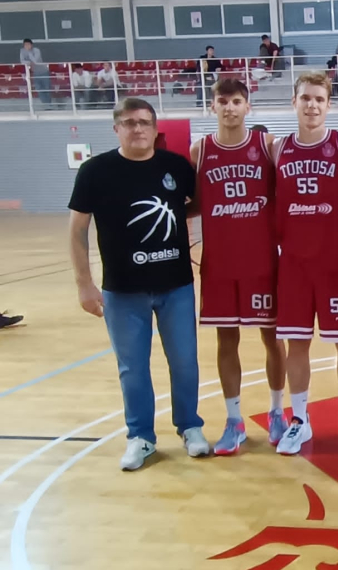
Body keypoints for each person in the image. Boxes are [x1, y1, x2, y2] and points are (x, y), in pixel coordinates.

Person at [68, 98, 209, 471]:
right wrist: (84, 284)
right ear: (117, 128)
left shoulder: (175, 167)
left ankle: (190, 427)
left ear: (154, 128)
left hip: (175, 285)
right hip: (122, 289)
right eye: (129, 123)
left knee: (184, 362)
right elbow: (77, 229)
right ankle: (141, 436)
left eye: (144, 122)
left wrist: (179, 216)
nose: (138, 129)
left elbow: (197, 204)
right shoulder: (95, 171)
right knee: (132, 367)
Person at [189, 79, 286, 456]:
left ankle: (277, 412)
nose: (229, 107)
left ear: (249, 107)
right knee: (225, 341)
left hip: (262, 261)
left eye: (236, 101)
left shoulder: (267, 146)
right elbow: (194, 203)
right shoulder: (201, 151)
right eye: (222, 101)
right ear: (212, 106)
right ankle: (234, 420)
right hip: (220, 264)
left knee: (271, 338)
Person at [270, 73, 338, 455]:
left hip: (335, 263)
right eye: (305, 98)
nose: (312, 105)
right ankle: (300, 420)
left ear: (329, 104)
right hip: (294, 265)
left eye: (319, 99)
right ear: (294, 102)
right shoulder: (277, 148)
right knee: (297, 345)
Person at [19, 39, 50, 106]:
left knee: (47, 89)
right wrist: (30, 63)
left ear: (31, 45)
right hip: (35, 73)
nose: (26, 46)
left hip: (44, 72)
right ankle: (46, 105)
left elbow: (36, 61)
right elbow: (22, 61)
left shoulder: (36, 50)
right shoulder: (22, 51)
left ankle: (49, 104)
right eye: (25, 45)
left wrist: (29, 53)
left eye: (28, 44)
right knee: (39, 89)